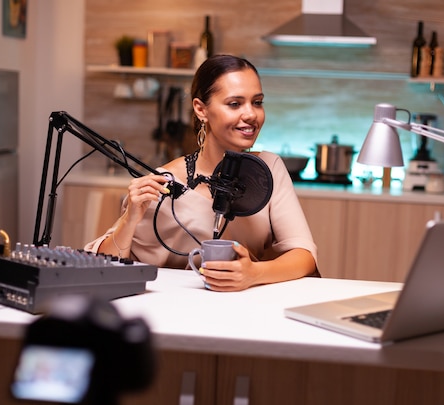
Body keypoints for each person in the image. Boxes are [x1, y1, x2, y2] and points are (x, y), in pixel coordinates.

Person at [85, 54, 318, 291]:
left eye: (257, 102)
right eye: (235, 104)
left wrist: (253, 274)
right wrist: (130, 217)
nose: (251, 114)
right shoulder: (165, 182)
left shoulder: (269, 169)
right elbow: (106, 265)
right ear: (201, 109)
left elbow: (304, 256)